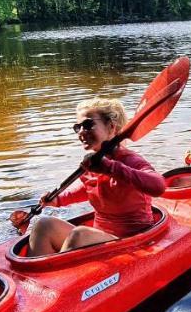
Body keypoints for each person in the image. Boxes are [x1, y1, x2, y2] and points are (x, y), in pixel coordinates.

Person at [26, 97, 166, 256]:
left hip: (132, 239)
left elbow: (159, 186)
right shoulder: (94, 162)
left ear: (111, 127)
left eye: (87, 125)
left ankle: (57, 276)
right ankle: (39, 278)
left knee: (79, 235)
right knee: (44, 225)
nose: (81, 132)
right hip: (100, 236)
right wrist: (58, 200)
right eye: (77, 127)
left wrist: (111, 168)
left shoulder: (129, 160)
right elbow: (89, 188)